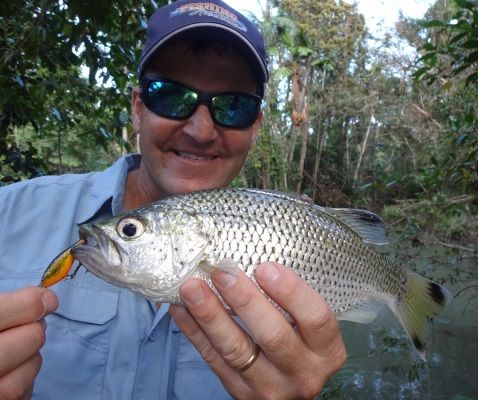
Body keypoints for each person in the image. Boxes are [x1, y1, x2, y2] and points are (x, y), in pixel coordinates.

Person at [0, 1, 346, 399]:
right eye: (170, 96)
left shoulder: (293, 239)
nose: (200, 130)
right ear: (137, 108)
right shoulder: (8, 216)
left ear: (255, 128)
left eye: (233, 107)